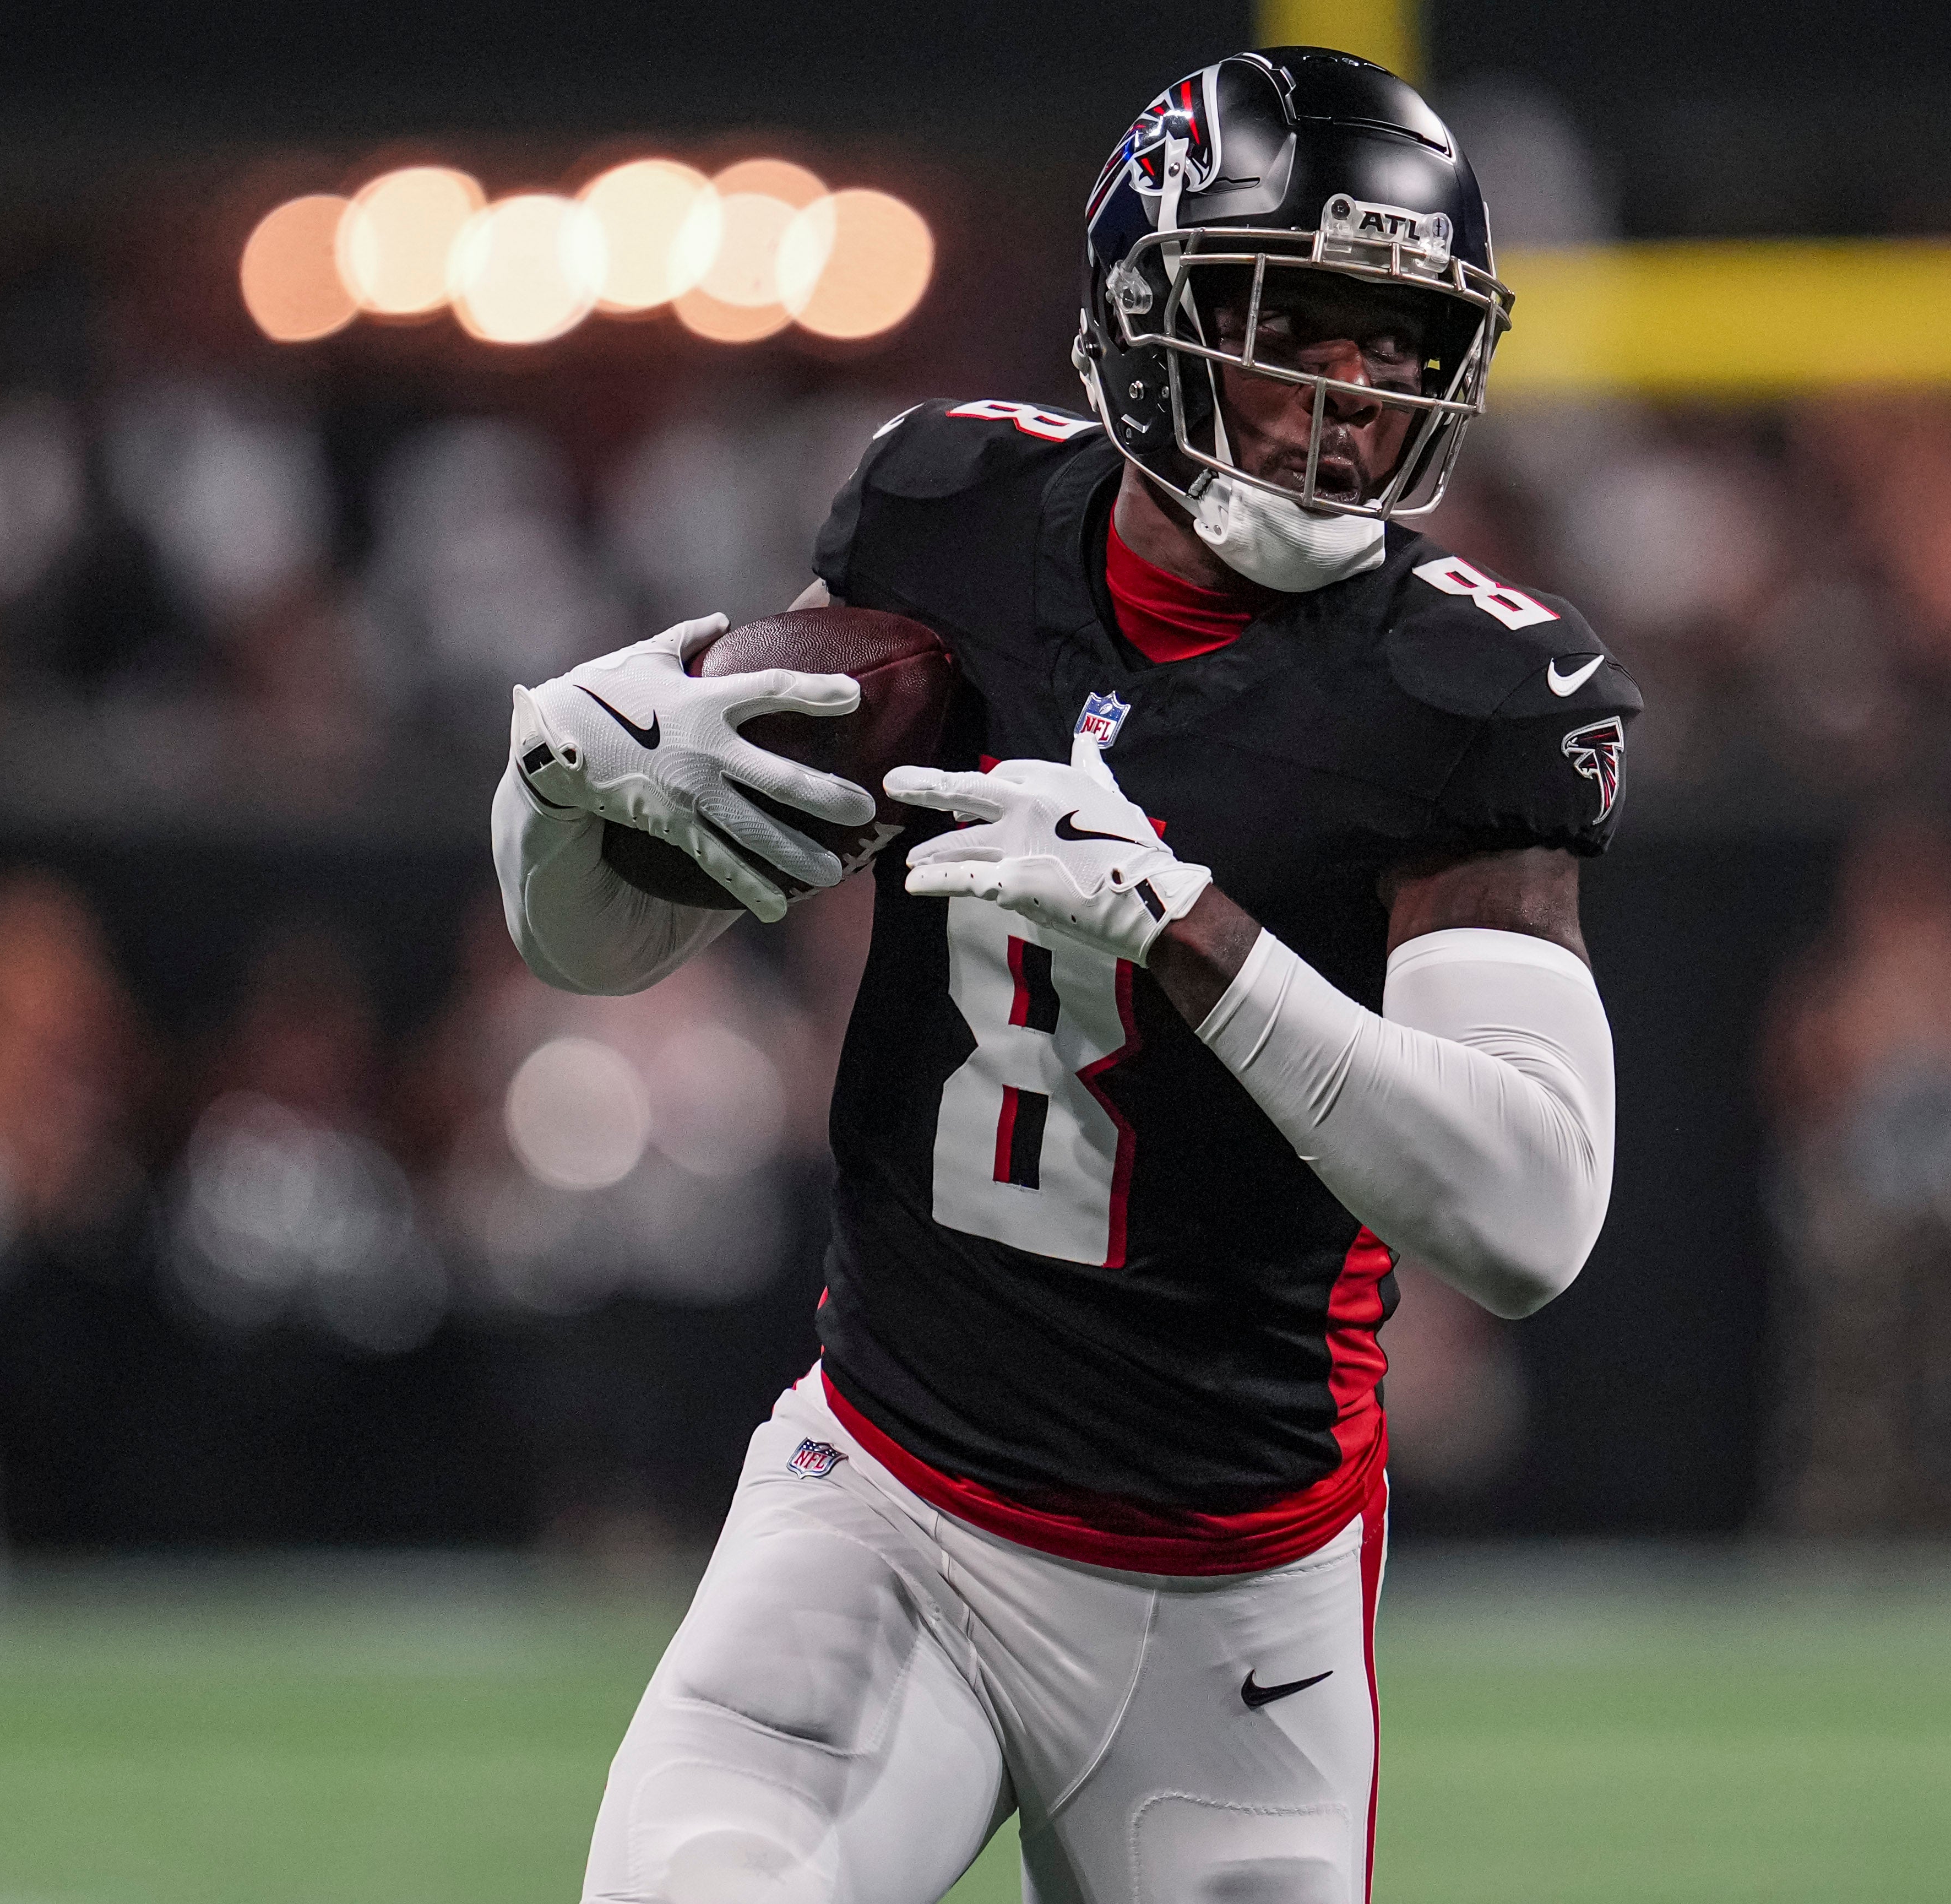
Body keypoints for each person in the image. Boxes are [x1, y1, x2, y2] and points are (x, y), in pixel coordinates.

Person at [490, 48, 1638, 1904]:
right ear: (1143, 306)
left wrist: (1190, 932)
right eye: (1298, 326)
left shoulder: (1465, 694)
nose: (1353, 400)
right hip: (885, 1501)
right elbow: (596, 947)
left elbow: (1530, 1213)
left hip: (1233, 1594)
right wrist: (560, 781)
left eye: (1398, 344)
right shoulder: (942, 518)